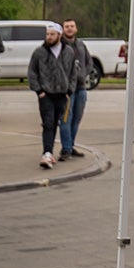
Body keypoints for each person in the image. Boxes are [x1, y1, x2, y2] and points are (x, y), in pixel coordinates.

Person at [28, 23, 75, 169]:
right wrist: (39, 90)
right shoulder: (39, 52)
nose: (49, 37)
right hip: (46, 94)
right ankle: (46, 153)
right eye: (47, 34)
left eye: (52, 34)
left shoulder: (68, 52)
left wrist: (69, 90)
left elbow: (73, 72)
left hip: (61, 94)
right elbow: (32, 72)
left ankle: (50, 152)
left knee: (55, 123)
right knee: (47, 123)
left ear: (59, 35)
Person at [57, 18, 91, 161]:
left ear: (76, 29)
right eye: (66, 27)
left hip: (81, 88)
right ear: (63, 29)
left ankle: (71, 145)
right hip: (66, 91)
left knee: (76, 119)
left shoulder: (81, 45)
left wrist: (83, 74)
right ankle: (66, 149)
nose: (69, 29)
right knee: (65, 119)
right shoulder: (59, 46)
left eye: (72, 26)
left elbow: (89, 62)